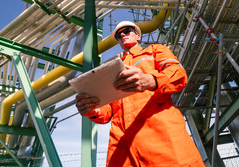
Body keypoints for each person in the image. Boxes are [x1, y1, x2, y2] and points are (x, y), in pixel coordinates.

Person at [75, 21, 205, 167]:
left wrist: (151, 80)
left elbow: (179, 74)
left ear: (138, 36)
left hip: (160, 133)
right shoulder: (112, 69)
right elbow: (108, 110)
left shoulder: (155, 50)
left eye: (127, 31)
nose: (122, 34)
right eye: (118, 35)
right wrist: (92, 108)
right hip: (122, 145)